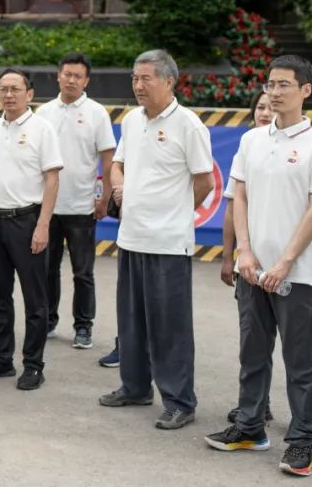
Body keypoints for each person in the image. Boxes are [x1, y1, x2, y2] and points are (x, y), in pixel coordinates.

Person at [204, 55, 312, 478]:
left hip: (294, 275)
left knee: (301, 361)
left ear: (305, 90)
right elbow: (239, 196)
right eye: (270, 84)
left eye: (284, 85)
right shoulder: (252, 140)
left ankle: (303, 440)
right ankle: (249, 427)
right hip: (252, 269)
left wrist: (286, 262)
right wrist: (244, 252)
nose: (275, 92)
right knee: (253, 353)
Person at [98, 49, 213, 430]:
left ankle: (180, 401)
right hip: (131, 237)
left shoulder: (188, 125)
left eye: (146, 78)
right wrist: (119, 186)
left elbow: (204, 181)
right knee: (132, 321)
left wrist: (176, 212)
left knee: (169, 326)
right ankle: (135, 387)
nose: (138, 85)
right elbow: (119, 163)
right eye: (134, 78)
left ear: (169, 81)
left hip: (168, 243)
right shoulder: (133, 121)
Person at [0, 68, 63, 390]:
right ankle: (2, 358)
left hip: (28, 220)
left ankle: (34, 365)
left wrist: (43, 225)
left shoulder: (42, 129)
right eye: (3, 89)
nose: (8, 95)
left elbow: (52, 179)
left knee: (35, 299)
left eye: (15, 89)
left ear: (29, 94)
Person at [36, 53, 116, 349]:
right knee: (47, 268)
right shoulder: (43, 112)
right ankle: (48, 320)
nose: (71, 80)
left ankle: (83, 326)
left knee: (83, 272)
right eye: (67, 74)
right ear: (58, 76)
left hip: (82, 206)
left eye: (77, 76)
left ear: (86, 81)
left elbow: (108, 160)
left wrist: (104, 198)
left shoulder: (97, 113)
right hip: (48, 207)